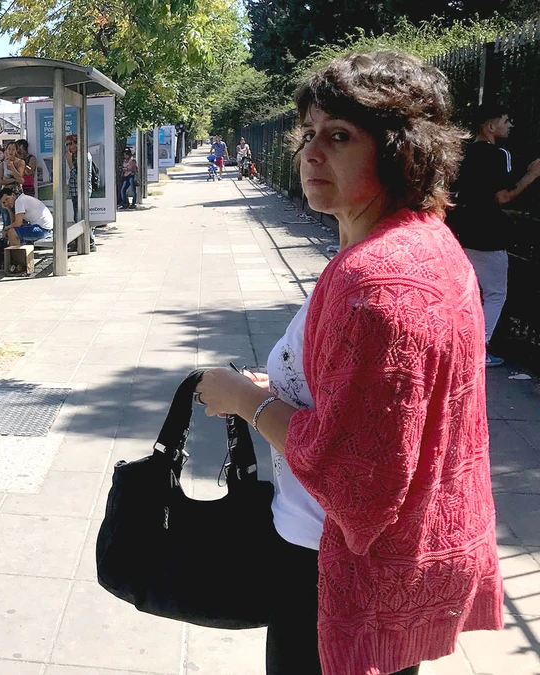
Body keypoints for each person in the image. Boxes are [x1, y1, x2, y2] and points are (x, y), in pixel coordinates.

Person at [194, 51, 502, 675]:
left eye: (338, 136)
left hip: (336, 566)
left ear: (401, 150)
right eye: (308, 133)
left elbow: (357, 477)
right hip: (401, 557)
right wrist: (280, 389)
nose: (310, 153)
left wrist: (247, 402)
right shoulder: (426, 243)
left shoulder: (376, 284)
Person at [449, 103, 540, 367]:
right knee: (496, 293)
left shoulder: (464, 153)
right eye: (505, 120)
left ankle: (457, 342)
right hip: (487, 234)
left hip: (462, 230)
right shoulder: (499, 155)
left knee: (469, 291)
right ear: (490, 127)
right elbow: (502, 196)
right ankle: (477, 350)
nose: (509, 125)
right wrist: (531, 176)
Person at [64, 133, 97, 250]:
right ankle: (81, 242)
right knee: (77, 217)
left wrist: (69, 162)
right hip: (74, 190)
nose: (69, 147)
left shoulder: (83, 156)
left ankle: (90, 242)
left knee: (81, 217)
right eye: (67, 145)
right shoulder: (75, 155)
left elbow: (79, 175)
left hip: (82, 190)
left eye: (71, 144)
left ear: (77, 143)